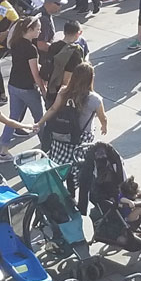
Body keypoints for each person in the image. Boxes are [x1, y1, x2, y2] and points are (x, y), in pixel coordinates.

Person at [36, 62, 107, 193]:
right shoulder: (94, 99)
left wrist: (40, 122)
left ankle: (55, 190)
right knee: (76, 170)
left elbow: (53, 109)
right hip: (80, 140)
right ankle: (71, 194)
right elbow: (103, 118)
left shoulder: (63, 92)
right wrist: (104, 126)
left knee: (59, 165)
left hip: (61, 136)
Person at [0, 17, 48, 162]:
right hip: (27, 88)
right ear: (30, 30)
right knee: (40, 119)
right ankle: (47, 147)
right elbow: (35, 73)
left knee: (13, 118)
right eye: (38, 29)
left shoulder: (16, 43)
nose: (40, 31)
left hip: (13, 84)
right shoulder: (31, 49)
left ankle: (3, 151)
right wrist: (43, 90)